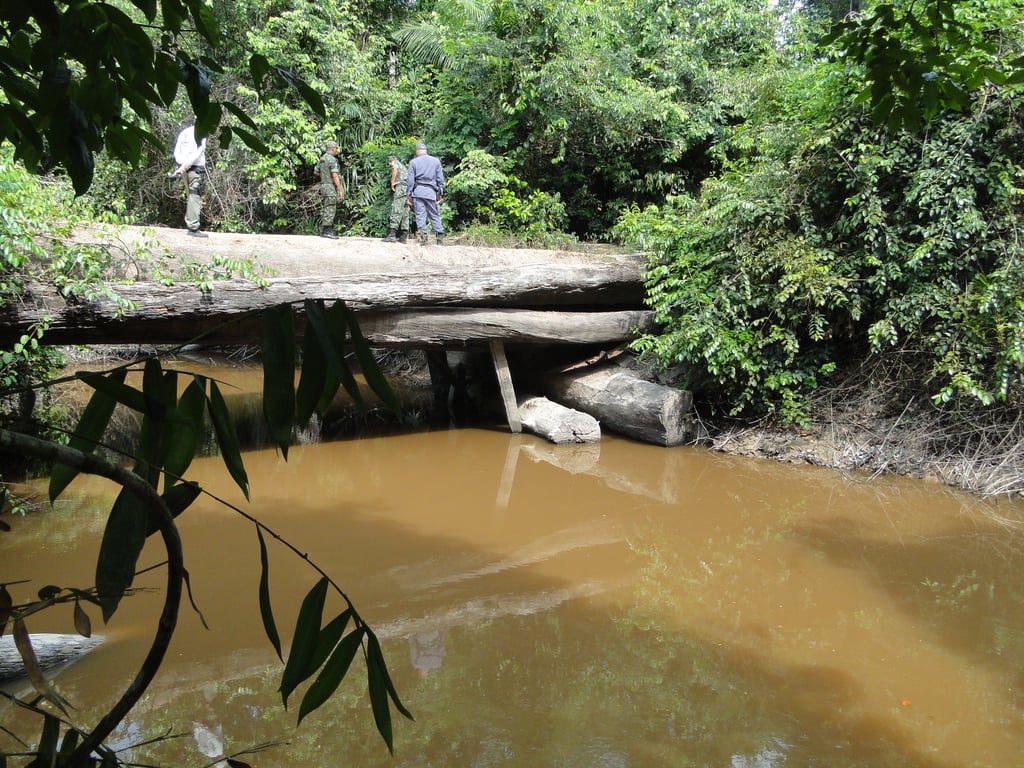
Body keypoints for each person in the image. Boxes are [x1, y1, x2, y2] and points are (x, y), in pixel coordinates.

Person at [172, 118, 208, 237]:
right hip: (194, 168)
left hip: (184, 168)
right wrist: (185, 167)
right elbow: (197, 152)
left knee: (191, 195)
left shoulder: (185, 132)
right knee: (195, 196)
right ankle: (193, 227)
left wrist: (181, 166)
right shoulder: (201, 133)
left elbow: (177, 151)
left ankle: (192, 225)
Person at [406, 142, 445, 246]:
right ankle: (439, 238)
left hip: (418, 192)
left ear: (417, 151)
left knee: (420, 215)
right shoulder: (436, 161)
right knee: (434, 214)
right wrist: (440, 192)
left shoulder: (413, 162)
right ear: (426, 150)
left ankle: (424, 239)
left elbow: (410, 181)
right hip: (431, 192)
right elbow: (440, 179)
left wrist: (409, 195)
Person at [314, 140, 344, 239]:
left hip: (323, 185)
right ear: (332, 149)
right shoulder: (332, 160)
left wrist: (325, 176)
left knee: (327, 206)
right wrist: (340, 189)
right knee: (330, 207)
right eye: (336, 148)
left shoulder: (322, 159)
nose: (337, 150)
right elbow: (335, 175)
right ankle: (327, 231)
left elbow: (316, 172)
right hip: (330, 186)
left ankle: (325, 230)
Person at [383, 155, 410, 243]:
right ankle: (403, 236)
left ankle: (392, 235)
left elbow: (395, 169)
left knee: (396, 209)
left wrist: (392, 183)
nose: (389, 164)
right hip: (407, 188)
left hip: (401, 188)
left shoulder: (396, 164)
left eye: (389, 162)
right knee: (405, 211)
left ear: (392, 161)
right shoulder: (404, 167)